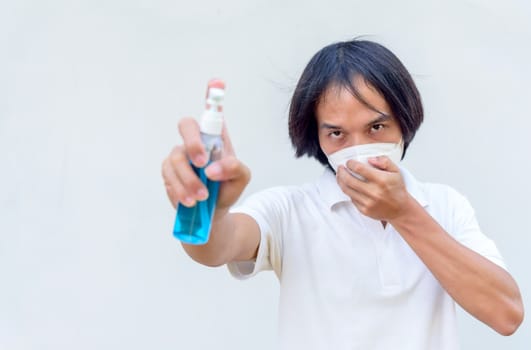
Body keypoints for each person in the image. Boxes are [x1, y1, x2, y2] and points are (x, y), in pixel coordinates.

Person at [161, 39, 524, 349]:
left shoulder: (446, 206)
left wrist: (403, 213)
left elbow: (506, 314)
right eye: (337, 134)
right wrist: (207, 206)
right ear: (316, 137)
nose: (359, 148)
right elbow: (215, 247)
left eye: (376, 127)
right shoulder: (289, 210)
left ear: (403, 122)